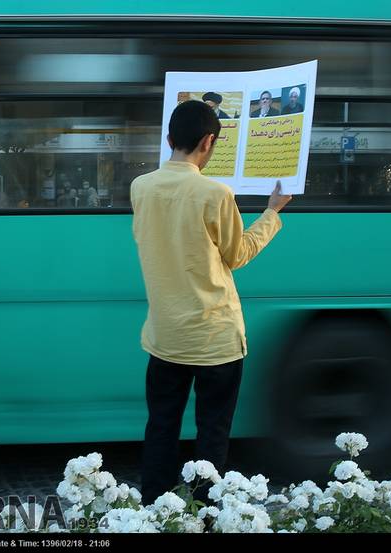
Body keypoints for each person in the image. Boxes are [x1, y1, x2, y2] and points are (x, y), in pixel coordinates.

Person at [131, 100, 292, 505]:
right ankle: (205, 517)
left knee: (161, 428)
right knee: (212, 435)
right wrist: (271, 212)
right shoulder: (215, 193)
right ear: (209, 142)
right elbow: (238, 255)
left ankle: (154, 512)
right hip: (214, 340)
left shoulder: (141, 187)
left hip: (165, 336)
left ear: (169, 139)